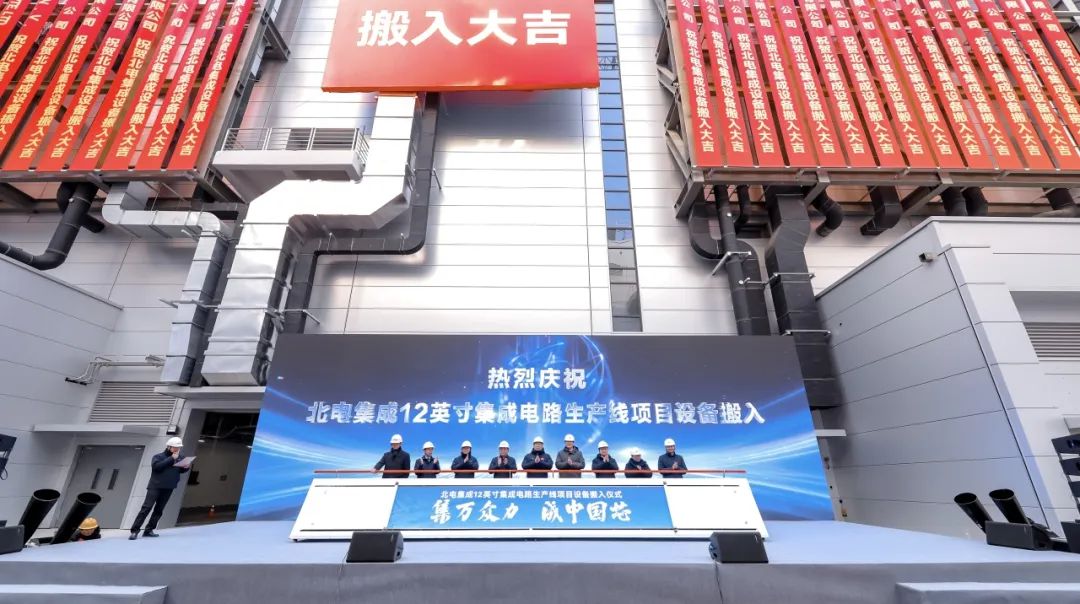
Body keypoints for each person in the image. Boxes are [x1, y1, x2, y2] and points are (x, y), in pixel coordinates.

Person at [129, 437, 191, 540]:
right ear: (169, 447)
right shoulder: (158, 456)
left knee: (159, 510)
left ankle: (149, 530)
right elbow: (157, 467)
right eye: (175, 447)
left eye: (179, 447)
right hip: (155, 486)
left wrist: (186, 467)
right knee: (146, 508)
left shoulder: (180, 457)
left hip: (169, 487)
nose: (177, 449)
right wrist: (171, 458)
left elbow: (179, 471)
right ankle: (134, 531)